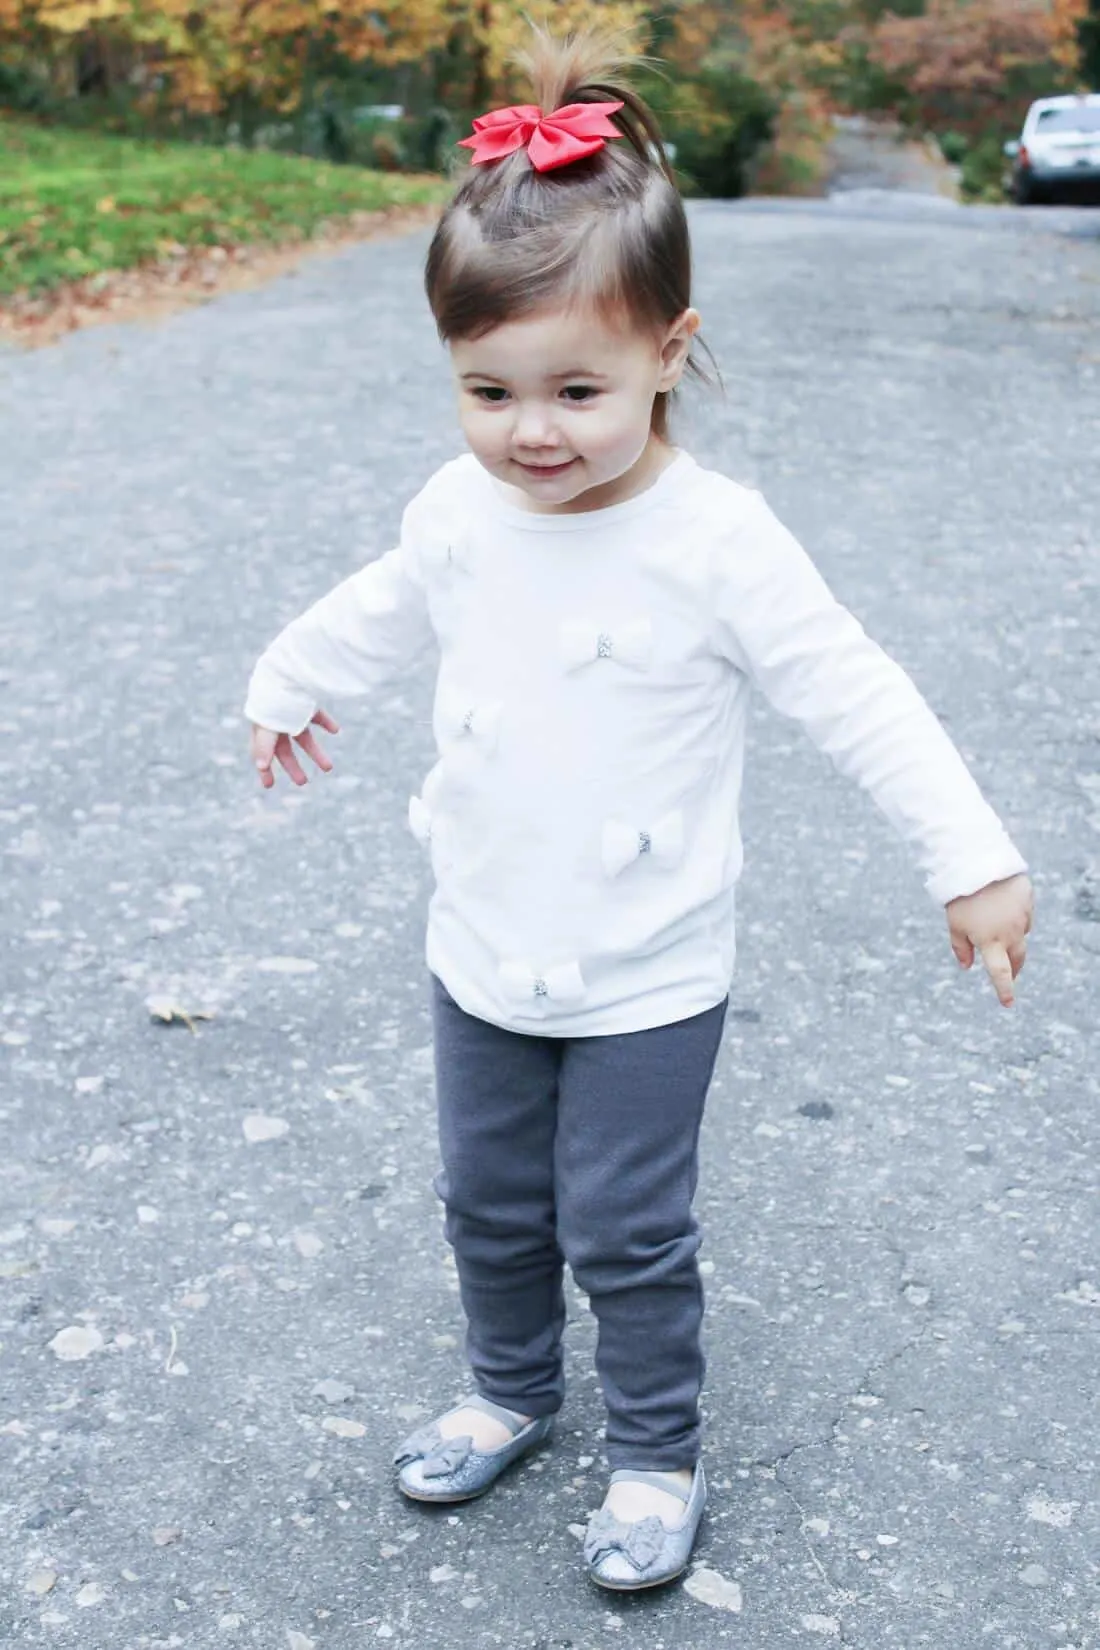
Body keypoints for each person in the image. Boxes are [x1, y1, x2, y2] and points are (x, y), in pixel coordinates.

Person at [243, 25, 1033, 1593]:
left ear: (671, 349)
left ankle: (659, 1450)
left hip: (648, 967)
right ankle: (511, 1389)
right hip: (482, 936)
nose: (533, 430)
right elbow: (392, 597)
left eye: (579, 387)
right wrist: (288, 677)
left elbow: (855, 689)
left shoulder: (718, 544)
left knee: (624, 1224)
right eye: (489, 388)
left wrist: (974, 857)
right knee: (488, 1201)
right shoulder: (463, 506)